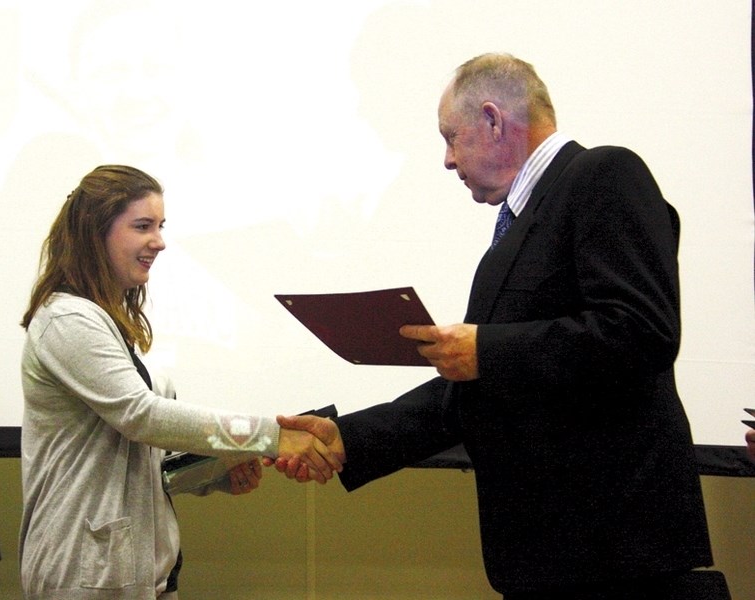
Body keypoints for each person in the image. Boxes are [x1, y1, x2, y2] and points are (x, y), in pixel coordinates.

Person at [272, 53, 716, 599]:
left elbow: (641, 332)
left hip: (617, 557)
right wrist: (349, 438)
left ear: (493, 119)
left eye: (450, 137)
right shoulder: (518, 225)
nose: (446, 160)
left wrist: (489, 350)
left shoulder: (604, 174)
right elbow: (477, 393)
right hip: (553, 561)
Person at [18, 165, 344, 600]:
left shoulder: (106, 324)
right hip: (83, 577)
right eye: (142, 226)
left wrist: (213, 473)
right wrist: (272, 438)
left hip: (140, 578)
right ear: (96, 232)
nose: (159, 241)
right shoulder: (66, 319)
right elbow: (141, 416)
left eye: (161, 226)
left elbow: (144, 458)